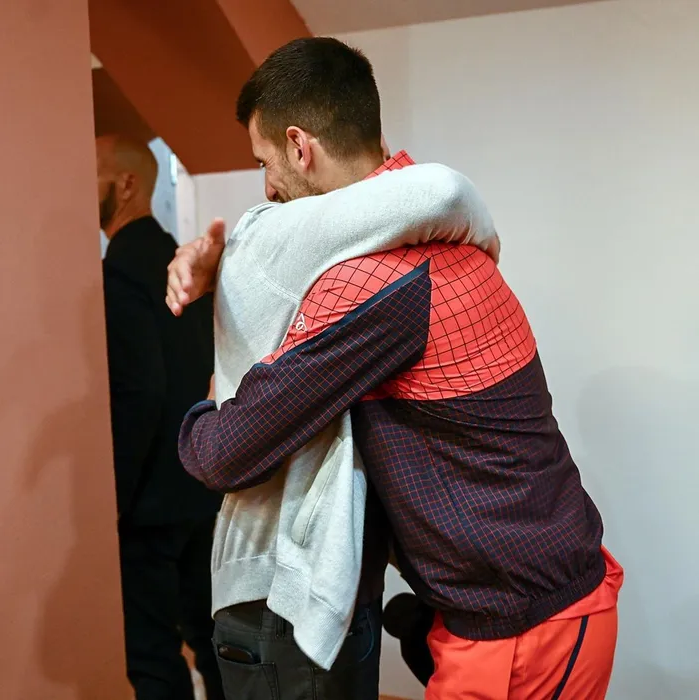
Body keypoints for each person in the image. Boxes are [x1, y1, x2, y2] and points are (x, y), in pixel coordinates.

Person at [170, 38, 623, 699]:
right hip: (511, 608)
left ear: (300, 147)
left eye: (265, 162)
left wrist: (208, 407)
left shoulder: (377, 282)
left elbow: (226, 453)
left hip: (529, 629)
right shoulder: (430, 231)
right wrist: (220, 268)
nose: (267, 188)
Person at [97, 135, 224, 700]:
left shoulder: (121, 270)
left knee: (151, 654)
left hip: (148, 498)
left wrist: (115, 495)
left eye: (91, 173)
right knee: (212, 636)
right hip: (198, 482)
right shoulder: (178, 259)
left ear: (126, 184)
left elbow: (139, 389)